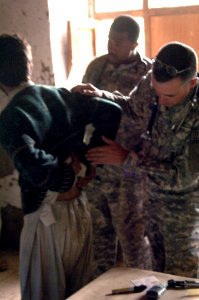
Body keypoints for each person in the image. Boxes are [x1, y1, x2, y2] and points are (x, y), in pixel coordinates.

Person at [0, 34, 121, 300]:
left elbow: (32, 165)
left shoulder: (11, 116)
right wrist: (89, 159)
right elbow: (112, 111)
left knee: (43, 294)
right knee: (80, 292)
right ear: (28, 65)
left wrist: (65, 180)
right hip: (80, 210)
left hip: (48, 218)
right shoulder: (61, 95)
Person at [73, 41, 199, 278]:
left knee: (184, 283)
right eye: (156, 91)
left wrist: (128, 159)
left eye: (169, 96)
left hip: (183, 216)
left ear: (192, 83)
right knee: (158, 276)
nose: (159, 101)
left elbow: (183, 177)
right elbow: (132, 107)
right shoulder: (153, 86)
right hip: (150, 203)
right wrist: (103, 95)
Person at [81, 15, 152, 276]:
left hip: (128, 172)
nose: (111, 45)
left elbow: (149, 122)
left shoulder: (148, 73)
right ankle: (101, 287)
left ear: (134, 43)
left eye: (119, 41)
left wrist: (131, 157)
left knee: (133, 240)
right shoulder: (96, 67)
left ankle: (143, 286)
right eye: (110, 38)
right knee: (100, 237)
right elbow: (83, 112)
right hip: (98, 167)